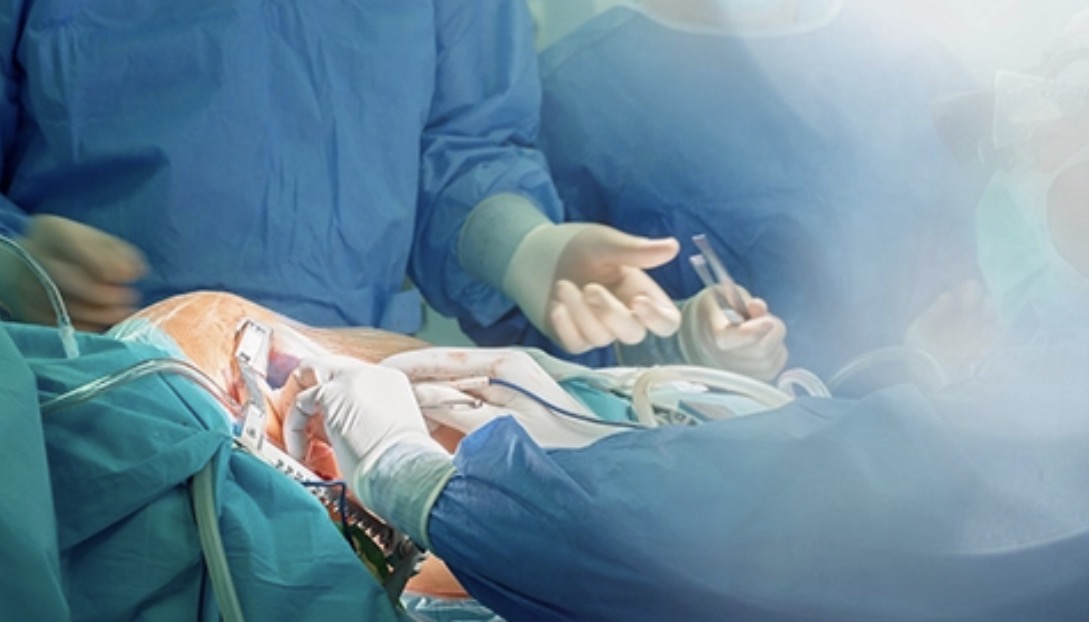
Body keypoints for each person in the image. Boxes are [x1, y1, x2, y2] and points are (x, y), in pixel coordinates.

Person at [284, 15, 1089, 621]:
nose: (1023, 164)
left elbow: (820, 510)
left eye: (1051, 142)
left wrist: (438, 483)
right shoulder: (594, 83)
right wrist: (615, 398)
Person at [0, 1, 697, 362]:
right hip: (86, 383)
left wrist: (525, 247)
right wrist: (12, 262)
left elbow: (461, 149)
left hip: (342, 389)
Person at [462, 0, 985, 378]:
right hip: (701, 478)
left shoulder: (915, 65)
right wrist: (674, 351)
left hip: (924, 457)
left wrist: (957, 360)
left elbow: (980, 259)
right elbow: (535, 353)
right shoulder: (579, 95)